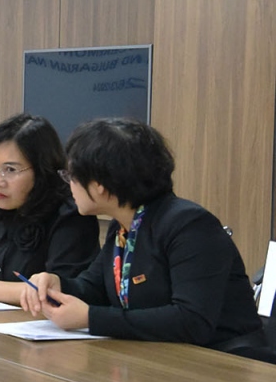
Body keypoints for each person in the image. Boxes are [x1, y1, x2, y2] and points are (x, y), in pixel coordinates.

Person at [21, 118, 266, 352]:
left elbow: (192, 320)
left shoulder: (190, 226)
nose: (69, 185)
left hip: (223, 360)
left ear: (100, 184)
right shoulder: (123, 227)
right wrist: (58, 284)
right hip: (160, 356)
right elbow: (95, 288)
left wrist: (91, 318)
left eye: (71, 176)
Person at [0, 114, 99, 305]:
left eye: (10, 170)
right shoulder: (0, 206)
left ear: (42, 171)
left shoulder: (71, 214)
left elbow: (59, 293)